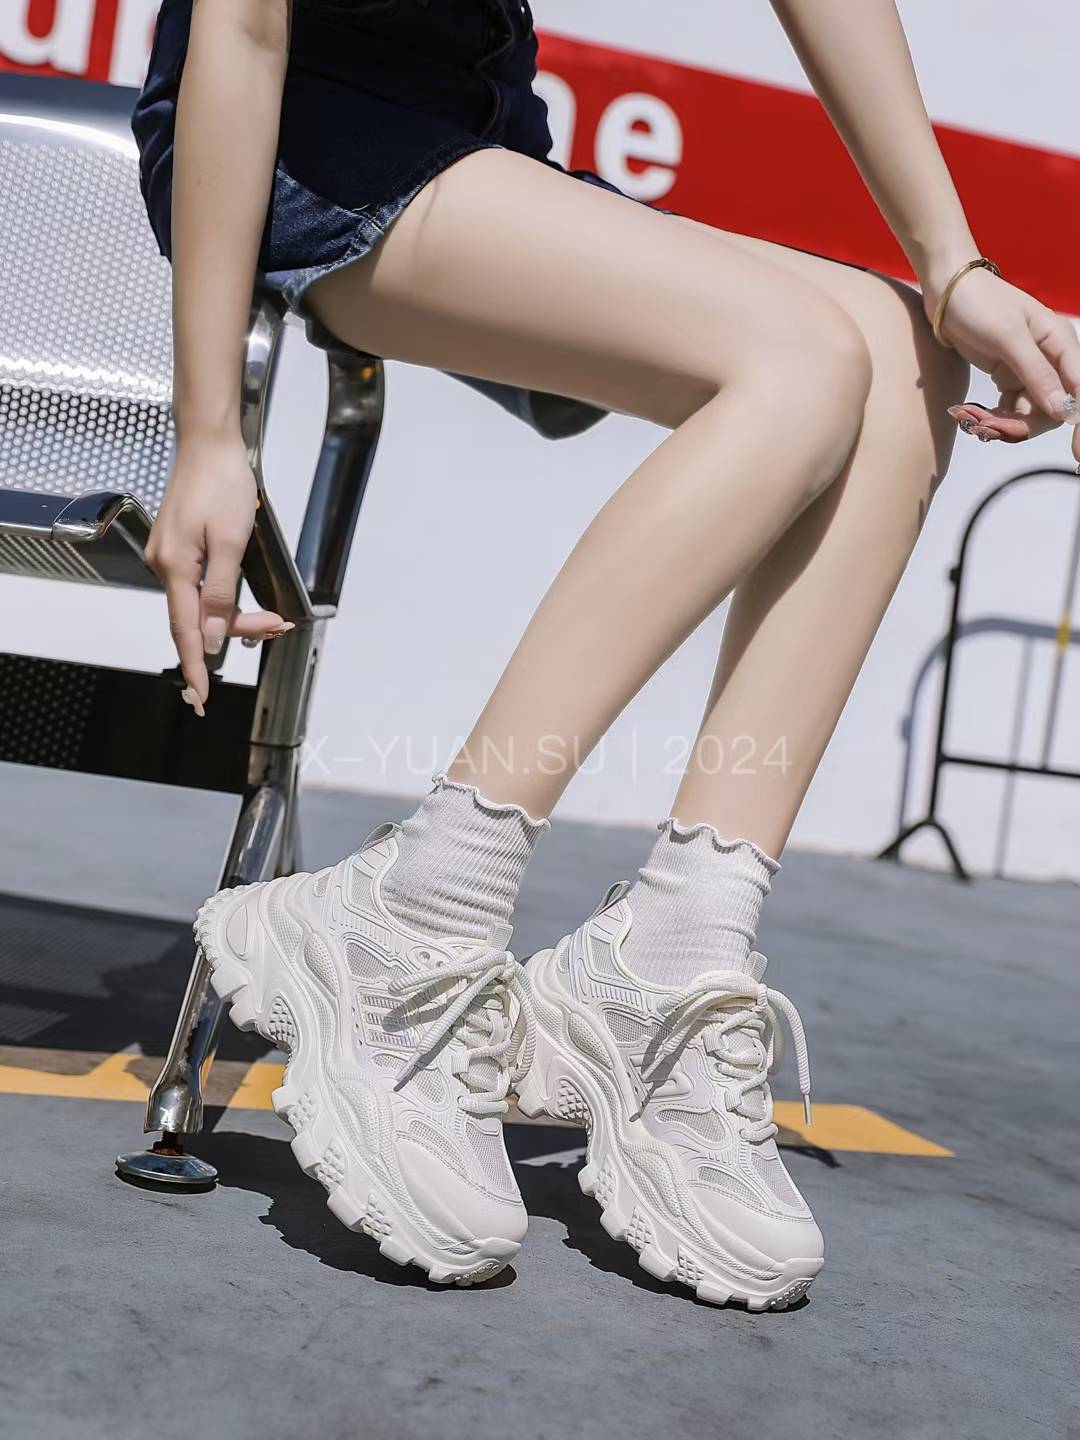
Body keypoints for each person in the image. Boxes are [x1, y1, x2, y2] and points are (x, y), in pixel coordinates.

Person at [133, 0, 1080, 1308]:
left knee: (904, 357)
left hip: (475, 127)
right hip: (300, 131)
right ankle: (413, 911)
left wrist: (954, 266)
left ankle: (672, 958)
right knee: (801, 360)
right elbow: (240, 31)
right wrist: (209, 434)